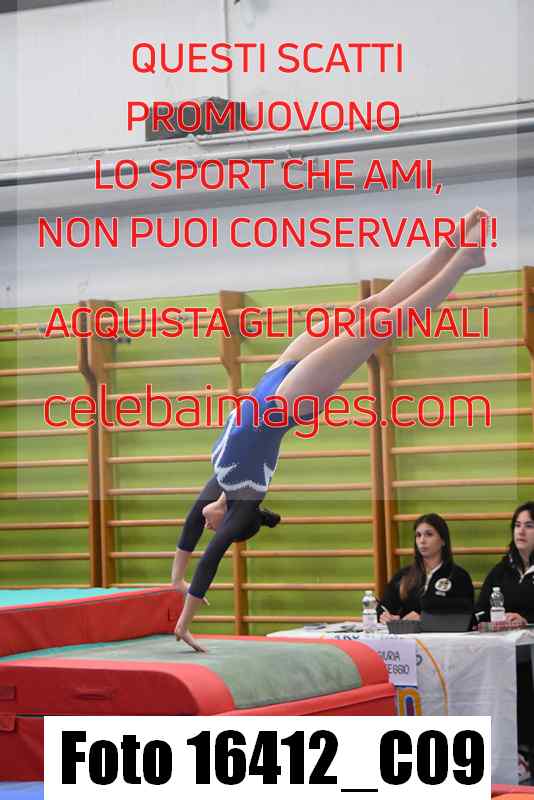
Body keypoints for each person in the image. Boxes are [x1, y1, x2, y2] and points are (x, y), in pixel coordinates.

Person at [172, 207, 488, 652]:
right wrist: (185, 621)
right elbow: (210, 558)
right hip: (286, 402)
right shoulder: (244, 497)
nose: (207, 523)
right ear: (230, 523)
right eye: (214, 527)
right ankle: (463, 262)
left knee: (370, 308)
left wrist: (175, 578)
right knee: (380, 326)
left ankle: (451, 242)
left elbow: (190, 525)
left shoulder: (221, 483)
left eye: (209, 523)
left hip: (275, 374)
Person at [475, 501, 534, 780]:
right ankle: (512, 752)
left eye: (529, 526)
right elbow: (479, 609)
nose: (520, 531)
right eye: (517, 525)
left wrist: (526, 618)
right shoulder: (501, 570)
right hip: (503, 650)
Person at [378, 513, 474, 622]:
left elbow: (468, 618)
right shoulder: (403, 575)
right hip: (406, 632)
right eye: (418, 535)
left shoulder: (458, 576)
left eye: (429, 534)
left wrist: (425, 620)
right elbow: (383, 607)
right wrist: (385, 616)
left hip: (440, 633)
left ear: (443, 540)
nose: (422, 541)